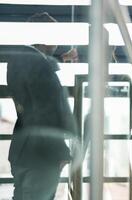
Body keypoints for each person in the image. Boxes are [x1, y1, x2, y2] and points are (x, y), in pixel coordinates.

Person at [6, 12, 78, 200]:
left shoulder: (17, 60)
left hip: (22, 151)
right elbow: (44, 112)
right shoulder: (40, 65)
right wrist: (62, 151)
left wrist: (61, 60)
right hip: (42, 156)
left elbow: (34, 90)